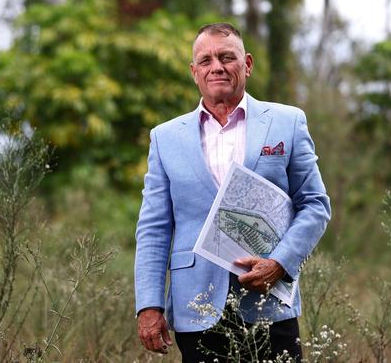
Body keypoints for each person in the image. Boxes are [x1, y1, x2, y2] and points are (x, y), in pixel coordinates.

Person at [135, 22, 331, 362]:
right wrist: (149, 305)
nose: (217, 66)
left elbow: (315, 205)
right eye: (206, 60)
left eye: (227, 57)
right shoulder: (165, 138)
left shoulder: (287, 122)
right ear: (194, 71)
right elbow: (153, 229)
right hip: (195, 306)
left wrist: (279, 264)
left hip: (270, 305)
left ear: (248, 64)